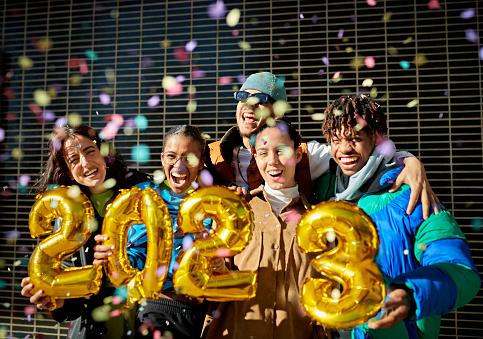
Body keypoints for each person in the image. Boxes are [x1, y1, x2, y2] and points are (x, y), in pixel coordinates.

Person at [315, 95, 481, 338]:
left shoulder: (412, 196)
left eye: (355, 139)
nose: (344, 149)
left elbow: (460, 270)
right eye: (336, 140)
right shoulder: (321, 190)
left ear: (376, 138)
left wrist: (410, 292)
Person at [207, 71, 441, 219]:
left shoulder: (306, 155)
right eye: (242, 97)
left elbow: (357, 149)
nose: (249, 105)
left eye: (260, 101)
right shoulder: (211, 155)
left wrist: (408, 160)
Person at [20, 124, 151, 338]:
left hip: (147, 319)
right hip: (94, 328)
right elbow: (75, 301)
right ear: (69, 172)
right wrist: (56, 299)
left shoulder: (142, 188)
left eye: (90, 151)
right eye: (73, 159)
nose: (85, 162)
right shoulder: (66, 215)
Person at [203, 120, 329, 339]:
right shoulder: (233, 213)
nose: (273, 161)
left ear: (298, 154)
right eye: (263, 153)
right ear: (255, 157)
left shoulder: (321, 224)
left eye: (281, 151)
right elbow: (212, 286)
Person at [94, 125, 221, 339]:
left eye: (188, 158)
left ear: (201, 162)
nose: (179, 166)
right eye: (172, 156)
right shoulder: (143, 197)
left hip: (206, 316)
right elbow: (131, 258)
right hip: (154, 311)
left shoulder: (217, 202)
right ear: (163, 158)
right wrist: (109, 255)